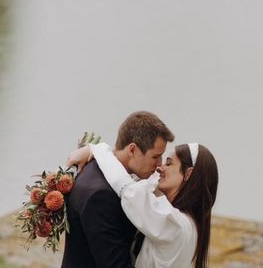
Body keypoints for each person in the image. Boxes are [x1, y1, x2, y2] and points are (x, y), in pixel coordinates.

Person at [68, 139, 219, 268]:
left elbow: (129, 190)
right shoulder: (188, 225)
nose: (160, 167)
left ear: (188, 173)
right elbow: (142, 185)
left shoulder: (175, 225)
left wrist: (98, 149)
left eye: (169, 163)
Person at [61, 111, 175, 268]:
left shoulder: (98, 168)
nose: (159, 164)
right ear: (132, 150)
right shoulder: (101, 196)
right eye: (155, 157)